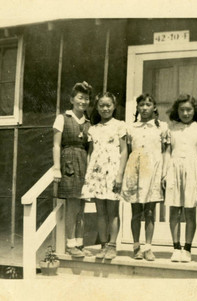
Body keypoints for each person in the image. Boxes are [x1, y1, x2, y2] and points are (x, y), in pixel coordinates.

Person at [121, 94, 169, 261]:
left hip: (153, 170)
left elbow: (165, 152)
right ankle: (136, 246)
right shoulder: (131, 127)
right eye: (141, 105)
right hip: (135, 170)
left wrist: (164, 172)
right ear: (138, 107)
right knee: (135, 212)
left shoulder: (161, 127)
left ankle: (148, 247)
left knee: (149, 211)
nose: (145, 108)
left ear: (154, 107)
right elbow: (126, 151)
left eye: (148, 104)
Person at [81, 92, 128, 260]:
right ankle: (103, 245)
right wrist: (88, 175)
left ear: (114, 106)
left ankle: (112, 245)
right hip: (97, 174)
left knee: (113, 211)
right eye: (101, 105)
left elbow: (123, 151)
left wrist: (120, 175)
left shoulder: (120, 126)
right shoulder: (93, 129)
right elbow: (90, 153)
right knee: (100, 211)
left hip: (113, 173)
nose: (105, 108)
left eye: (108, 105)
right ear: (97, 107)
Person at [53, 81, 92, 257]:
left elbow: (90, 149)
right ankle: (70, 244)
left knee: (82, 205)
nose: (83, 102)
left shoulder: (89, 123)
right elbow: (56, 145)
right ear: (72, 99)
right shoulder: (63, 118)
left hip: (84, 162)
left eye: (86, 99)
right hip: (69, 161)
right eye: (80, 97)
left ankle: (80, 243)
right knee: (72, 205)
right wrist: (56, 168)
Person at [164, 94, 197, 263]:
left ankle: (187, 248)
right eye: (182, 110)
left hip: (193, 168)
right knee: (174, 209)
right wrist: (165, 172)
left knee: (190, 210)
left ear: (194, 110)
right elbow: (167, 151)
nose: (185, 113)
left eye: (189, 109)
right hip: (174, 168)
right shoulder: (171, 128)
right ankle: (176, 248)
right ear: (176, 111)